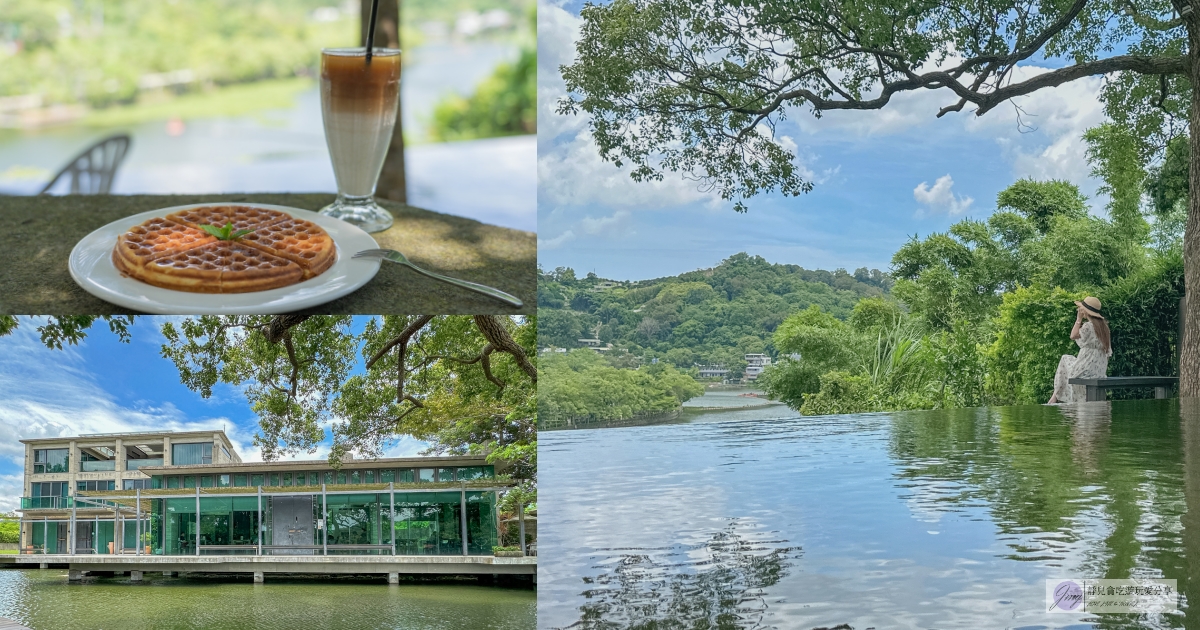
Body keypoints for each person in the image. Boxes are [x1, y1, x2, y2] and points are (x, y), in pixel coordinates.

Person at [1048, 296, 1112, 404]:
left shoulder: (1088, 326)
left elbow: (1073, 335)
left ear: (1086, 311)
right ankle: (1055, 395)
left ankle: (1055, 396)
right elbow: (1108, 352)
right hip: (1099, 370)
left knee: (1065, 358)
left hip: (1084, 368)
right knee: (1068, 361)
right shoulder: (1105, 328)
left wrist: (1078, 319)